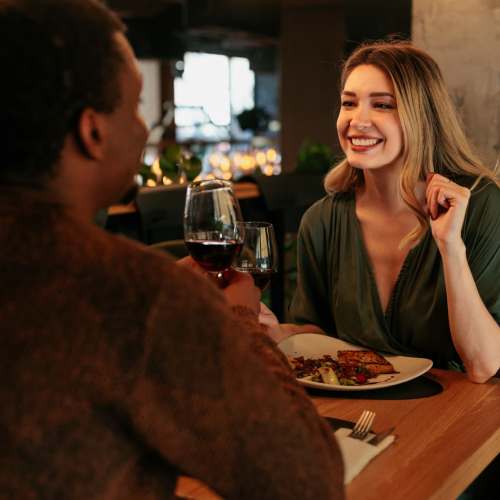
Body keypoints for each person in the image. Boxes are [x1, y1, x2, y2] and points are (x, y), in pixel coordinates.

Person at [0, 1, 345, 498]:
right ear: (92, 132)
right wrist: (239, 324)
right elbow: (307, 481)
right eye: (136, 105)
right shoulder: (136, 296)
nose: (145, 129)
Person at [286, 40, 500, 383]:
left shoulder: (480, 204)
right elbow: (317, 335)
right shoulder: (322, 221)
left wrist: (450, 247)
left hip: (461, 418)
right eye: (348, 103)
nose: (358, 120)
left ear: (422, 116)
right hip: (363, 418)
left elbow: (484, 365)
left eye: (383, 105)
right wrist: (273, 333)